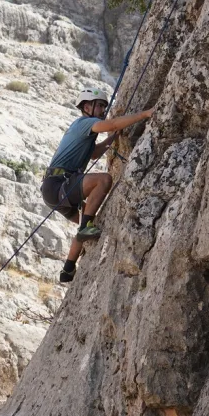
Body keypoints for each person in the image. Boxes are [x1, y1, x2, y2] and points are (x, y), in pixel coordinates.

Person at [41, 87, 154, 283]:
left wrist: (113, 139)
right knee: (104, 180)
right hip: (59, 184)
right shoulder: (86, 123)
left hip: (54, 189)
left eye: (104, 106)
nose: (103, 109)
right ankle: (86, 226)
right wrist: (145, 114)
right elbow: (110, 124)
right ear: (87, 106)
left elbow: (94, 153)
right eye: (100, 105)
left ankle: (68, 269)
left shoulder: (83, 130)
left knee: (89, 220)